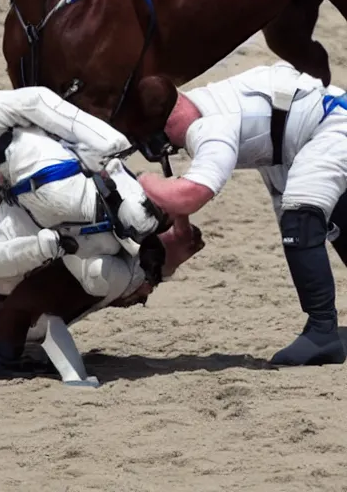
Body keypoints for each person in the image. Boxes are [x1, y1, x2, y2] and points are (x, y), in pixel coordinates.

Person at [135, 61, 347, 367]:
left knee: (300, 219)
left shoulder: (209, 125)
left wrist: (144, 182)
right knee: (330, 219)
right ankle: (322, 329)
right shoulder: (204, 101)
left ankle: (322, 331)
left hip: (329, 127)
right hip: (305, 135)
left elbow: (192, 194)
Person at [0, 85, 174, 310]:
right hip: (49, 206)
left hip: (47, 212)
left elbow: (36, 101)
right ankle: (52, 245)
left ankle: (50, 246)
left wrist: (45, 248)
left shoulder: (108, 251)